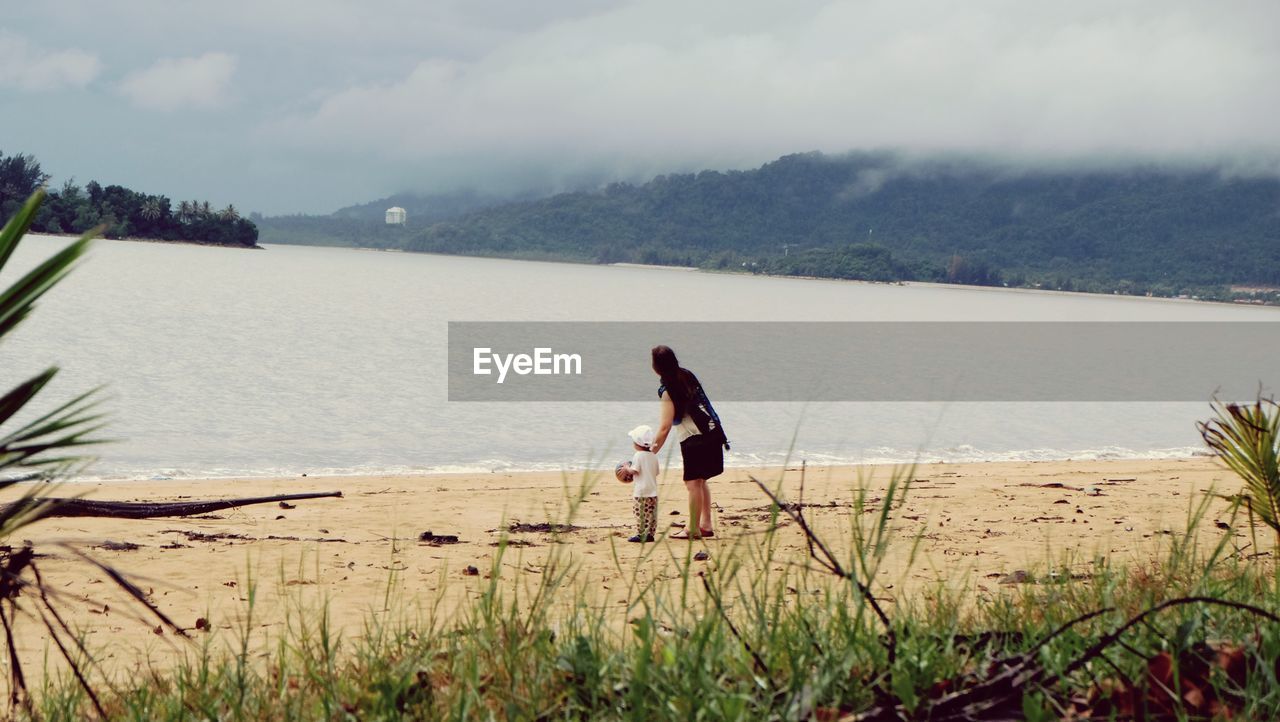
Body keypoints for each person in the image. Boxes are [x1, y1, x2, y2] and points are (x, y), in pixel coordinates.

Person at [648, 345, 728, 540]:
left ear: (656, 367)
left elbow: (665, 427)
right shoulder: (686, 375)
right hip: (713, 431)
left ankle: (692, 529)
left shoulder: (668, 391)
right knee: (700, 481)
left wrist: (649, 453)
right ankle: (705, 525)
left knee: (692, 483)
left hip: (695, 438)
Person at [615, 424, 659, 542]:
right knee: (651, 514)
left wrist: (626, 469)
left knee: (640, 513)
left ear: (637, 443)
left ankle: (641, 534)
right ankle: (650, 534)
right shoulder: (653, 456)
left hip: (641, 492)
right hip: (653, 492)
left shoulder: (638, 456)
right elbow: (656, 472)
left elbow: (635, 470)